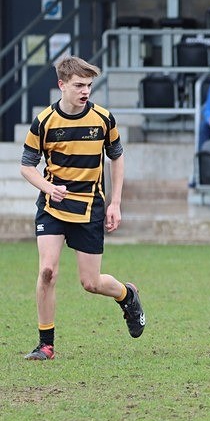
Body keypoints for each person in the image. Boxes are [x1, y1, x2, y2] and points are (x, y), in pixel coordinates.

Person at [19, 56, 147, 360]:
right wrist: (48, 188)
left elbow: (117, 156)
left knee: (91, 283)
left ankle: (127, 295)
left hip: (90, 207)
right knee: (47, 271)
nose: (85, 90)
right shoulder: (44, 122)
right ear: (62, 85)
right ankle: (45, 344)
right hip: (52, 205)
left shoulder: (103, 119)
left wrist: (115, 202)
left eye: (89, 85)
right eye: (79, 85)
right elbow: (27, 166)